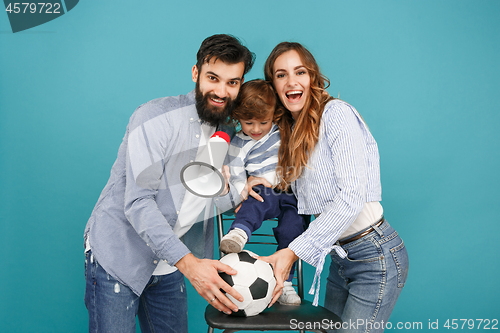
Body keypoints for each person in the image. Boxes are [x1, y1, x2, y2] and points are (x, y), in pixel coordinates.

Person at [83, 34, 255, 333]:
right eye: (213, 78)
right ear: (196, 73)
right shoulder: (154, 118)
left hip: (170, 260)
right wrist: (191, 266)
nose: (221, 91)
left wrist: (232, 191)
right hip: (120, 254)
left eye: (232, 82)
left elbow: (207, 205)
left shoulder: (229, 132)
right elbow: (138, 203)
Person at [255, 42, 409, 332]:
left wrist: (293, 251)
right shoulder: (294, 130)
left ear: (312, 76)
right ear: (273, 85)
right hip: (340, 258)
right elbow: (297, 185)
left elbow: (351, 197)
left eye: (299, 71)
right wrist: (255, 179)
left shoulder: (336, 114)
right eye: (281, 75)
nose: (291, 81)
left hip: (374, 255)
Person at [219, 79, 309, 305]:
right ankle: (239, 233)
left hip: (291, 192)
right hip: (264, 192)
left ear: (275, 115)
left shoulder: (284, 131)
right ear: (238, 117)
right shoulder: (239, 142)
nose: (256, 129)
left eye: (263, 122)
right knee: (254, 197)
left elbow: (298, 160)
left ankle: (285, 281)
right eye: (248, 122)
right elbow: (237, 170)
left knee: (294, 225)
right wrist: (241, 194)